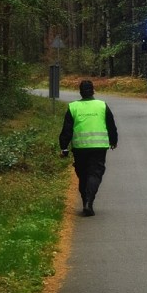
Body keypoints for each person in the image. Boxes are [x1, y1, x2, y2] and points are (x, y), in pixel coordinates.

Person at [59, 80, 118, 216]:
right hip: (98, 147)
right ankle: (89, 202)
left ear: (80, 92)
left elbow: (66, 130)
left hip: (80, 148)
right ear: (93, 91)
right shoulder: (102, 106)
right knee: (95, 174)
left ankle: (85, 200)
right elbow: (111, 125)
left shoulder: (73, 107)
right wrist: (113, 141)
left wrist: (64, 148)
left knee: (83, 175)